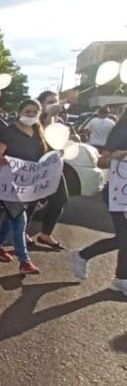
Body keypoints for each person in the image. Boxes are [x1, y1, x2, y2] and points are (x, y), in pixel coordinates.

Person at [68, 112, 127, 295]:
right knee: (125, 238)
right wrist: (115, 157)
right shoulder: (121, 131)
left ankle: (121, 279)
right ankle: (82, 255)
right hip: (119, 194)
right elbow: (102, 162)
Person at [0, 100, 45, 275]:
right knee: (20, 221)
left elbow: (44, 156)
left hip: (28, 184)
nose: (31, 115)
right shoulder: (8, 132)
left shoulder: (39, 133)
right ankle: (24, 261)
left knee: (10, 215)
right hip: (10, 184)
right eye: (27, 111)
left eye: (34, 112)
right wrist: (1, 159)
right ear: (19, 111)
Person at [24, 90, 69, 249]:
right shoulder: (37, 121)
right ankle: (21, 232)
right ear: (41, 104)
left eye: (56, 101)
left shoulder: (60, 122)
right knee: (32, 200)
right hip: (38, 165)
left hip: (55, 166)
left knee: (61, 198)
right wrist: (49, 117)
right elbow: (42, 138)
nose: (54, 104)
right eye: (50, 101)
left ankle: (46, 234)